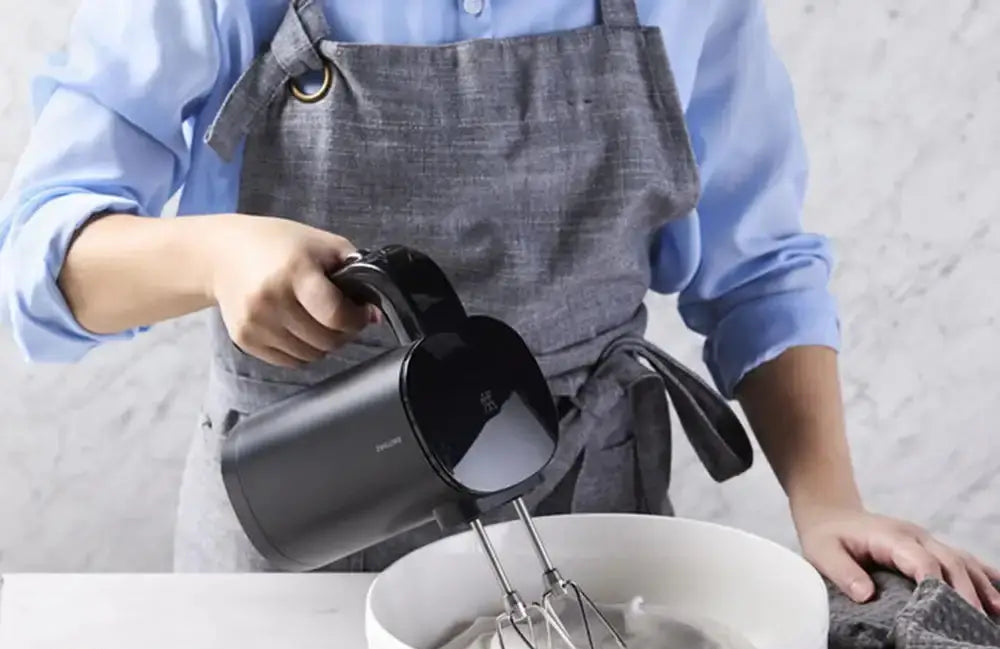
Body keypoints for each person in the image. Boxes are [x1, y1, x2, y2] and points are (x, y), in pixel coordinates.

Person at [1, 0, 997, 610]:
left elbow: (758, 265)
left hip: (589, 546)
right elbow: (45, 263)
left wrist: (825, 497)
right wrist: (212, 252)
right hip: (295, 541)